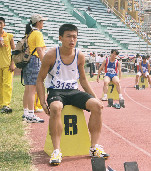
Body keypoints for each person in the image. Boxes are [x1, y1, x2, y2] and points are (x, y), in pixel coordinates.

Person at [36, 24, 109, 165]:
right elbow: (40, 79)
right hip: (56, 91)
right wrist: (42, 102)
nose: (72, 40)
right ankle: (56, 150)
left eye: (75, 37)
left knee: (96, 106)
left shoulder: (79, 55)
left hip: (73, 91)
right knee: (56, 108)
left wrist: (95, 97)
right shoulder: (51, 55)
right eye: (68, 36)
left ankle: (94, 147)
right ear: (60, 38)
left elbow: (83, 79)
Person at [22, 14, 47, 123]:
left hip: (27, 61)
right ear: (38, 22)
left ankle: (26, 112)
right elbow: (40, 50)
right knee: (32, 90)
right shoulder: (37, 33)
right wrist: (45, 63)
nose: (43, 23)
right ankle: (31, 115)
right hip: (34, 61)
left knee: (28, 89)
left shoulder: (29, 33)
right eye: (42, 21)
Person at [0, 17, 15, 113]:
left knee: (7, 85)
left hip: (7, 65)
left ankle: (5, 105)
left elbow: (14, 50)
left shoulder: (9, 36)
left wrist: (12, 63)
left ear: (4, 24)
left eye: (0, 23)